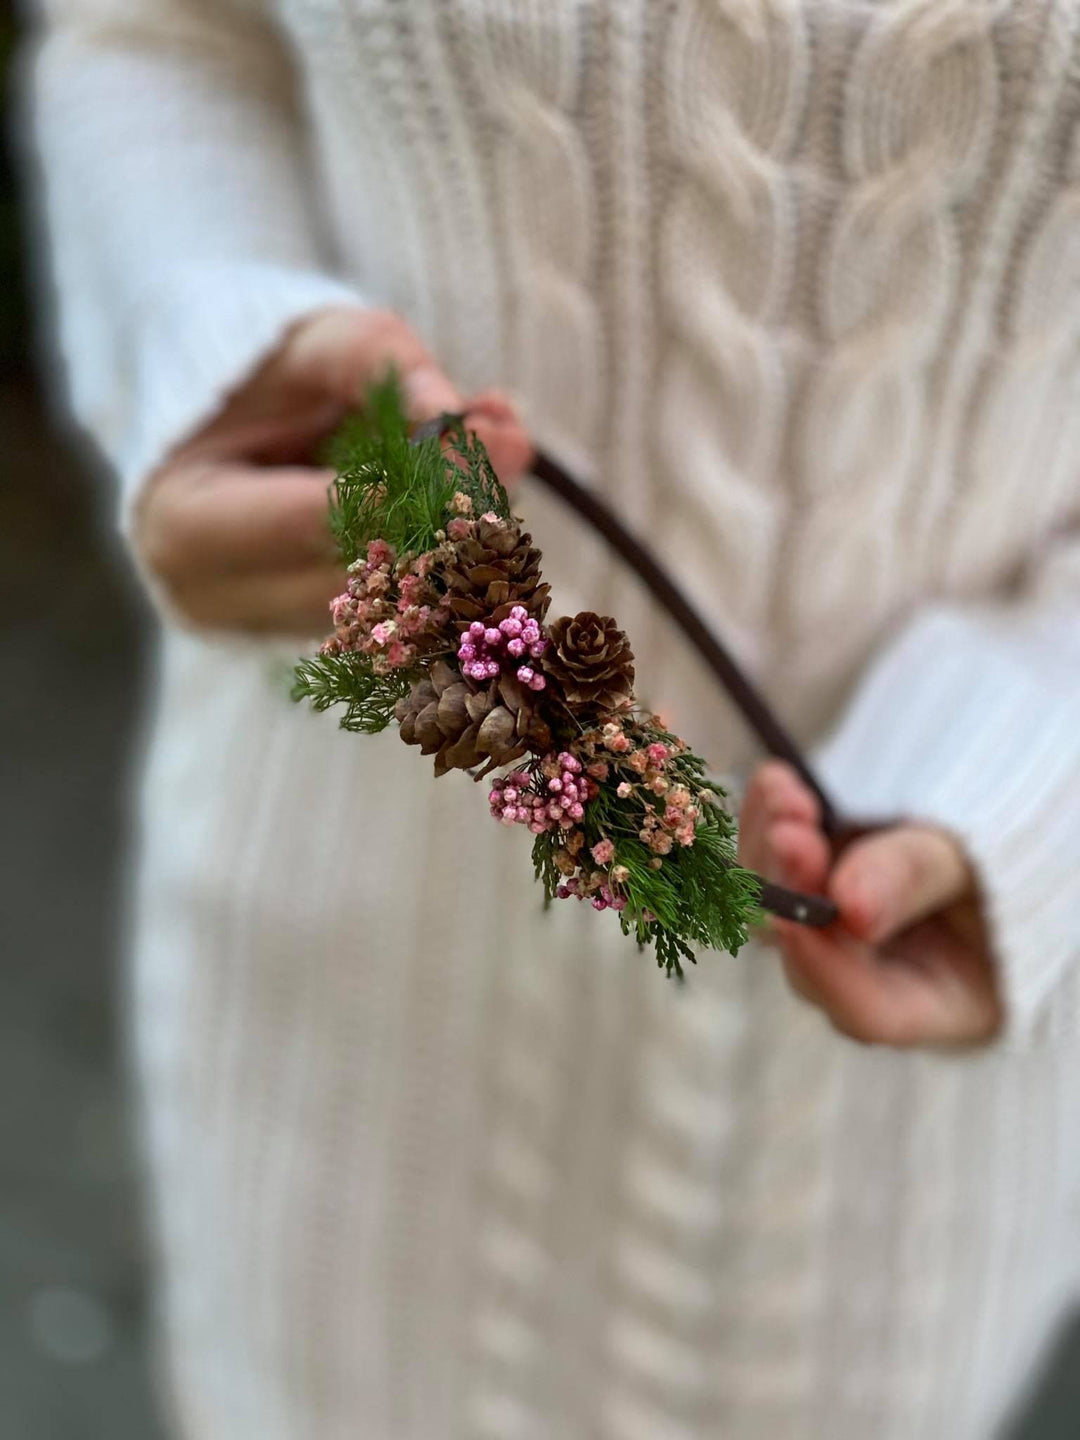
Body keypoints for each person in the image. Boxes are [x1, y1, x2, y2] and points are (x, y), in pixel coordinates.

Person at [27, 1, 1080, 1436]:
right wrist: (204, 336)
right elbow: (153, 31)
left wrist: (1025, 765)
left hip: (884, 1164)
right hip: (341, 996)